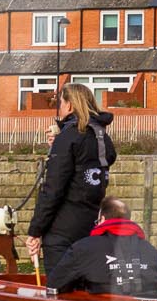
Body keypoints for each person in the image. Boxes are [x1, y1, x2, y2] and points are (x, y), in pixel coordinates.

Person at [25, 82, 116, 269]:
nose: (59, 107)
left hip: (63, 232)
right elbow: (105, 158)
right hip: (91, 226)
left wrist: (35, 231)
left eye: (60, 103)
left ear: (70, 105)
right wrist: (59, 144)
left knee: (59, 288)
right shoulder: (102, 137)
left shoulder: (69, 138)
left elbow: (53, 189)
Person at [48, 196, 157, 298]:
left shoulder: (83, 247)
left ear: (102, 219)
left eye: (97, 221)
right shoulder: (152, 251)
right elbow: (154, 286)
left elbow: (55, 283)